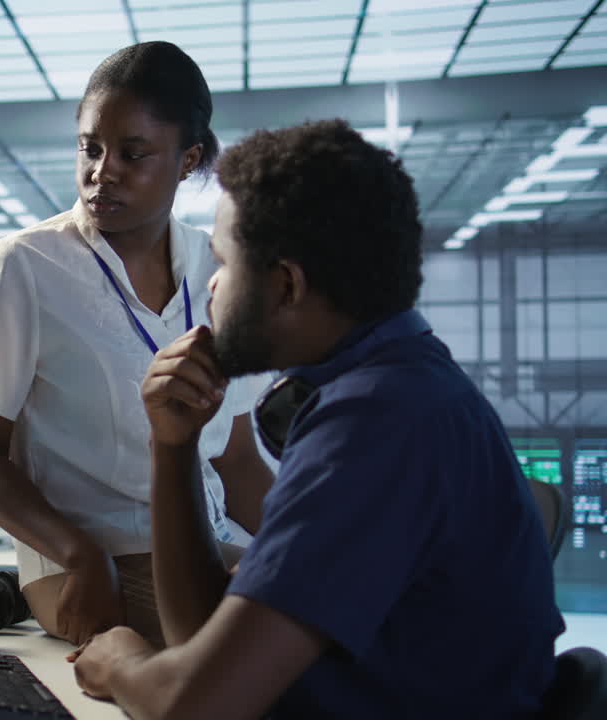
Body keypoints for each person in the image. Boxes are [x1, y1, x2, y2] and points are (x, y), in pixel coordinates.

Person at [71, 119, 564, 718]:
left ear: (285, 287)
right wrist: (173, 447)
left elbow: (196, 705)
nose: (214, 286)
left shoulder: (376, 426)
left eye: (224, 263)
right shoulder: (404, 387)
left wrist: (122, 663)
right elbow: (204, 641)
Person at [0, 41, 275, 649]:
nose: (103, 171)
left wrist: (313, 540)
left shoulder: (215, 266)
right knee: (259, 644)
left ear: (187, 159)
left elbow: (238, 460)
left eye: (133, 153)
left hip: (214, 539)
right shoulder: (26, 265)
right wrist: (80, 554)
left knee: (345, 606)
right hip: (93, 563)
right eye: (90, 149)